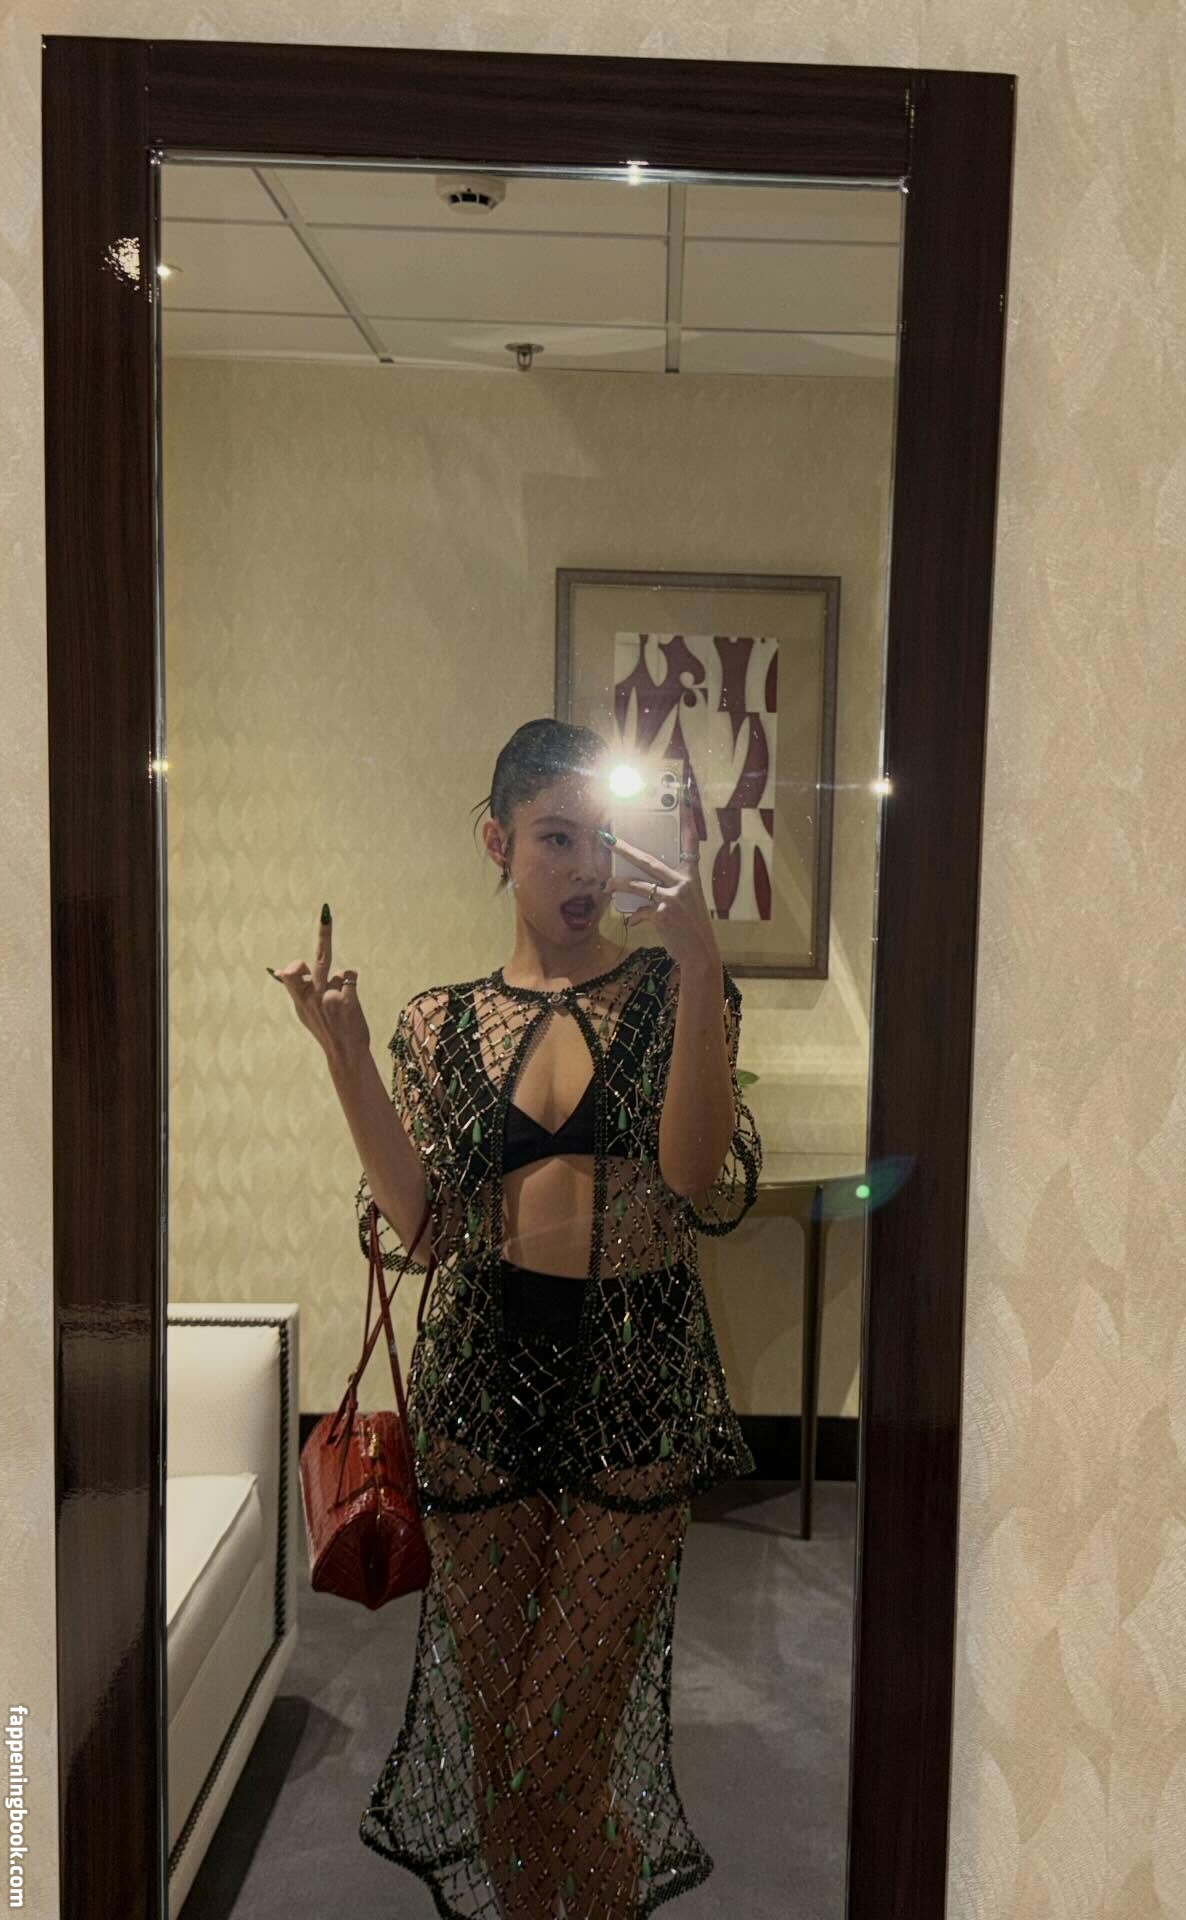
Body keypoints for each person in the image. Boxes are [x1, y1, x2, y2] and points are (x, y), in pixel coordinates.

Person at [271, 717, 761, 1918]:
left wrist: (701, 963)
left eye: (603, 839)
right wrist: (345, 1055)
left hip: (634, 1378)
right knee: (503, 1751)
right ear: (498, 842)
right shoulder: (441, 1022)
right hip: (482, 1383)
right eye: (556, 839)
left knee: (556, 1750)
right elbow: (427, 1228)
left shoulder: (672, 989)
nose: (587, 869)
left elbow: (693, 1177)